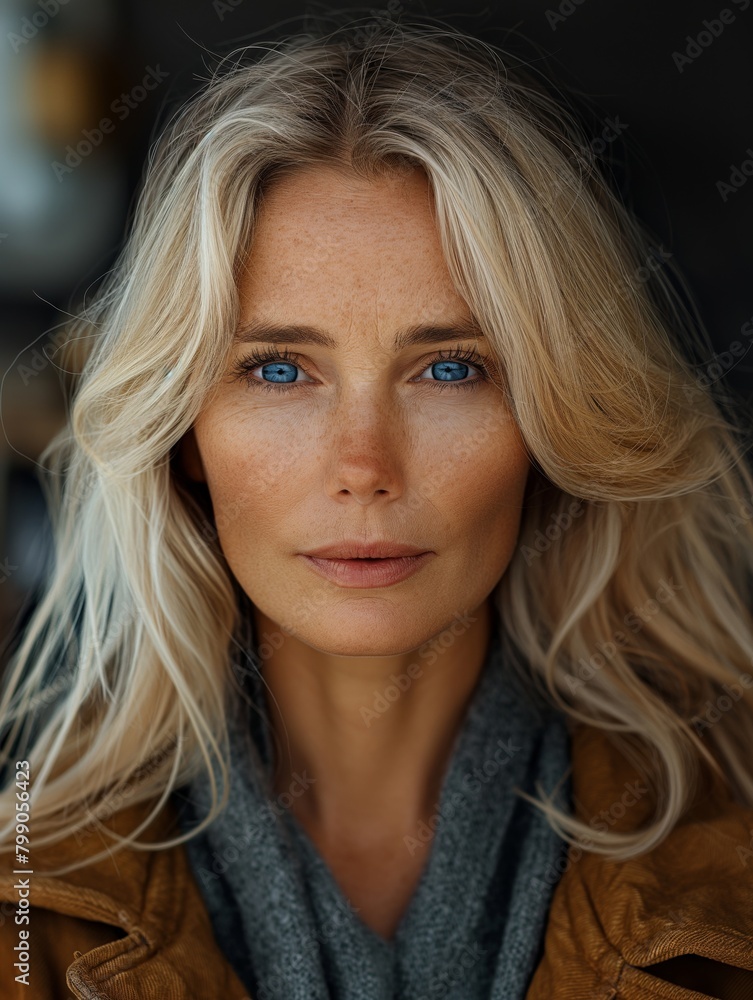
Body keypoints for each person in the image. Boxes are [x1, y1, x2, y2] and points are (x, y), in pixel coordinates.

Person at [1, 17, 753, 1000]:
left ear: (551, 419)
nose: (364, 465)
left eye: (449, 368)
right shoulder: (24, 902)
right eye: (279, 369)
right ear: (184, 433)